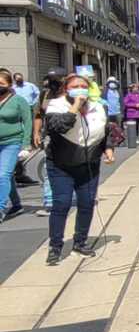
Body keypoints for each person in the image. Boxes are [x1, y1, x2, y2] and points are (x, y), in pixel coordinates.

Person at [42, 73, 116, 264]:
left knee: (87, 203)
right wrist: (75, 106)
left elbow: (105, 130)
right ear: (66, 89)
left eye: (83, 86)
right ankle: (55, 246)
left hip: (88, 164)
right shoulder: (56, 105)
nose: (80, 89)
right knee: (62, 204)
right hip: (61, 165)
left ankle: (80, 242)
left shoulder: (98, 107)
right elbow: (59, 127)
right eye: (75, 86)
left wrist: (108, 149)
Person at [32, 68, 66, 217]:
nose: (53, 83)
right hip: (50, 137)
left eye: (56, 79)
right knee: (49, 169)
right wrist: (36, 132)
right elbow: (39, 115)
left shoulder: (71, 94)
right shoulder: (44, 95)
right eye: (50, 79)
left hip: (71, 136)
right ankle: (50, 202)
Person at [0, 69, 33, 222]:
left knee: (2, 175)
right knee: (7, 176)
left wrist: (26, 144)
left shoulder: (18, 100)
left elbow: (28, 121)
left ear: (9, 84)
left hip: (12, 142)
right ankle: (17, 204)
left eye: (1, 83)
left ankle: (0, 207)